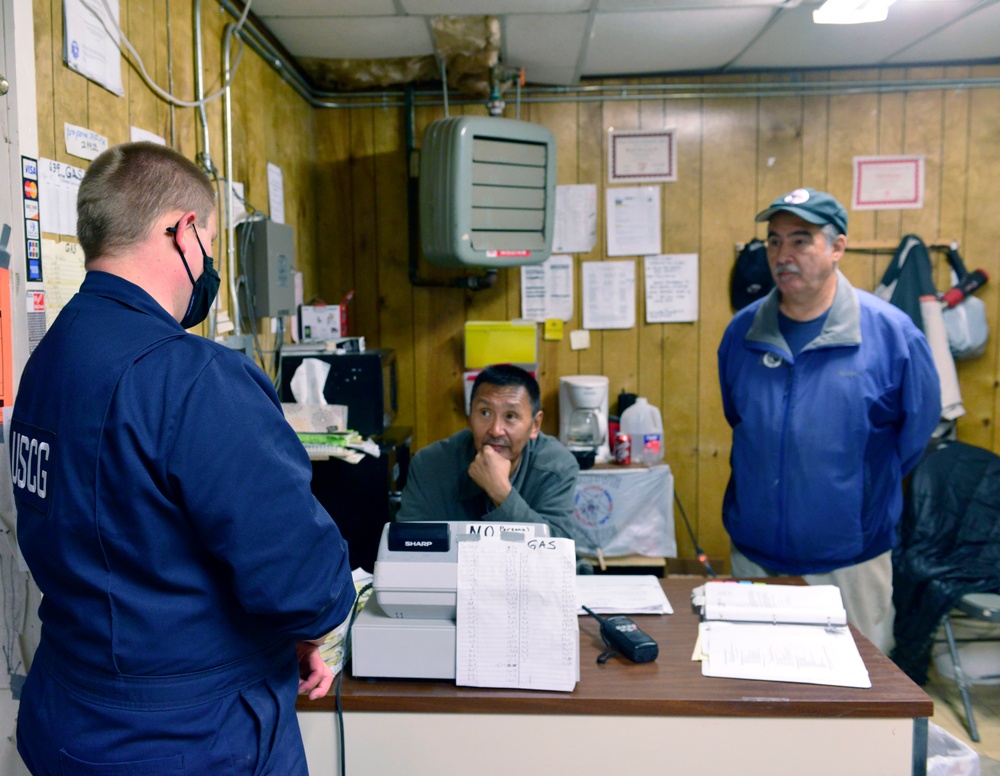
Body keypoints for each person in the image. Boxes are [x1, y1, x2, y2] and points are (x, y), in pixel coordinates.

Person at [9, 142, 356, 774]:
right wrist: (321, 624)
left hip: (66, 719)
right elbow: (296, 570)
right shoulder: (194, 377)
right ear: (185, 231)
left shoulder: (46, 362)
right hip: (191, 738)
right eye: (214, 242)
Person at [717, 187, 941, 654]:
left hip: (849, 561)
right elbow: (739, 418)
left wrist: (849, 494)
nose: (783, 254)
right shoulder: (742, 332)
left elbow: (914, 436)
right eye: (774, 241)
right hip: (755, 557)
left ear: (838, 247)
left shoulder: (892, 334)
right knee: (754, 694)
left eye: (801, 240)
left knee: (855, 704)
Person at [398, 364, 579, 537]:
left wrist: (501, 493)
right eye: (485, 412)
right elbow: (407, 545)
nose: (496, 430)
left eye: (510, 416)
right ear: (470, 417)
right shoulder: (430, 464)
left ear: (535, 425)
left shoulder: (557, 466)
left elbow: (557, 551)